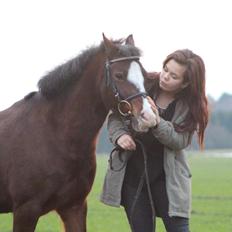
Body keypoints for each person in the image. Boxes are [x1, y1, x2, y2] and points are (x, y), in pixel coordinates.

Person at [100, 49, 209, 232]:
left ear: (186, 83)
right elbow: (115, 118)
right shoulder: (141, 85)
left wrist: (157, 123)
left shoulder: (191, 106)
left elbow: (179, 140)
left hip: (169, 181)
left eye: (173, 76)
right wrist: (120, 135)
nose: (165, 76)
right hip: (133, 179)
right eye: (165, 69)